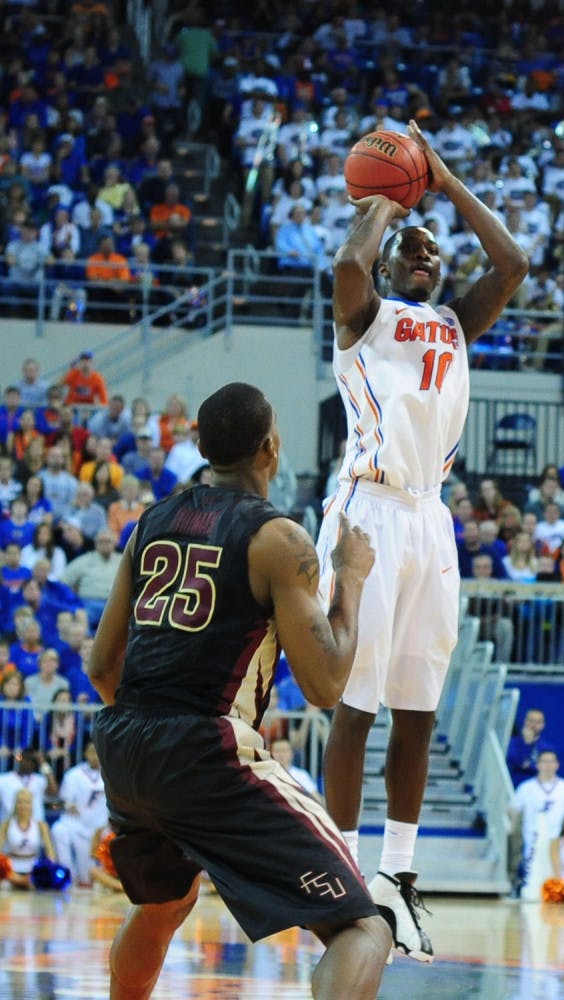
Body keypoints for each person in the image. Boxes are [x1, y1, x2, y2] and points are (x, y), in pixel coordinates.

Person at [87, 382, 390, 1000]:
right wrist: (352, 580)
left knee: (163, 904)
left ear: (200, 445)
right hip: (206, 747)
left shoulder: (152, 522)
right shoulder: (279, 539)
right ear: (271, 447)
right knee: (363, 928)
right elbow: (326, 685)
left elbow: (99, 666)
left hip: (124, 744)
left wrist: (152, 744)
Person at [315, 117, 528, 962]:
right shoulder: (365, 315)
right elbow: (345, 264)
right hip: (367, 512)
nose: (430, 259)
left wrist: (439, 180)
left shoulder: (453, 324)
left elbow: (511, 262)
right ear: (391, 263)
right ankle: (335, 871)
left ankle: (396, 879)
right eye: (416, 250)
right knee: (356, 708)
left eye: (436, 254)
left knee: (417, 710)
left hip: (430, 518)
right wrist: (380, 199)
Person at [509, 749, 564, 892]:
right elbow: (513, 809)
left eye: (551, 761)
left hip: (559, 838)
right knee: (534, 874)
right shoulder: (526, 787)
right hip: (533, 837)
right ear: (538, 764)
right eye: (544, 761)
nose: (548, 765)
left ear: (557, 765)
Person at [50, 741, 108, 887]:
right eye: (91, 752)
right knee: (59, 830)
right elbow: (65, 800)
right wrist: (69, 805)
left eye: (98, 751)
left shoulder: (111, 774)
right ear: (85, 754)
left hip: (97, 829)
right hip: (76, 825)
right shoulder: (73, 774)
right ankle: (68, 874)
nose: (95, 756)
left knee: (87, 877)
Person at [0, 787, 57, 889]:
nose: (23, 806)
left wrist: (48, 868)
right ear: (15, 804)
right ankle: (22, 882)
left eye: (27, 802)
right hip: (12, 869)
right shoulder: (7, 825)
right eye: (20, 802)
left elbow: (50, 853)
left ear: (32, 805)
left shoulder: (41, 825)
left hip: (33, 869)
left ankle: (23, 882)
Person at [506, 708, 555, 787]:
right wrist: (526, 744)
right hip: (512, 786)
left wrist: (528, 766)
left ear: (543, 725)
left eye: (537, 722)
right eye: (531, 721)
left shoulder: (547, 748)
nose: (533, 725)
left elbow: (546, 768)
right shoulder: (513, 742)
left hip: (536, 788)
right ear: (525, 721)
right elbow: (514, 760)